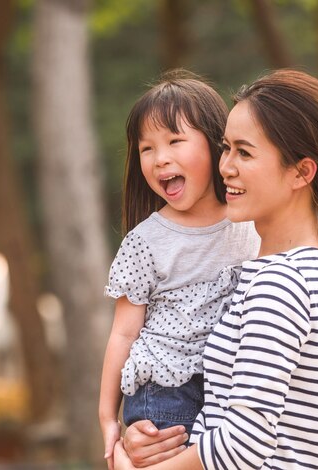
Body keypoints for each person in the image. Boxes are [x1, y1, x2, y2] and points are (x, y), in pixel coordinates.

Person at [113, 69, 318, 469]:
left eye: (245, 152)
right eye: (225, 148)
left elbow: (244, 440)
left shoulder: (281, 281)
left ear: (301, 172)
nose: (226, 167)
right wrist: (151, 436)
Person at [99, 70, 261, 469]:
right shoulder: (145, 242)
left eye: (175, 141)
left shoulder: (251, 224)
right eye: (147, 148)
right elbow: (123, 333)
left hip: (229, 389)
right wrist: (107, 418)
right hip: (165, 394)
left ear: (214, 144)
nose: (161, 158)